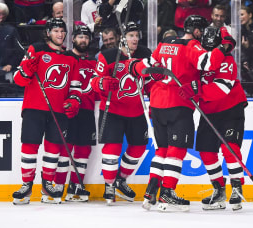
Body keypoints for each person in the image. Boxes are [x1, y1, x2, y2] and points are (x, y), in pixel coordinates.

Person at [128, 15, 235, 212]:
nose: (203, 36)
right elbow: (209, 63)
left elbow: (144, 66)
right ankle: (168, 192)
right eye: (201, 31)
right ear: (196, 31)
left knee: (162, 150)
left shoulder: (165, 43)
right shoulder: (192, 46)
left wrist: (132, 66)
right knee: (176, 150)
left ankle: (151, 192)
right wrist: (224, 47)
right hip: (178, 104)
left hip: (157, 104)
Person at [12, 18, 82, 205]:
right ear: (48, 33)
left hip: (58, 111)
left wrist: (73, 101)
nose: (60, 34)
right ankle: (26, 185)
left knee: (53, 150)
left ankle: (47, 185)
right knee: (29, 147)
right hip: (34, 108)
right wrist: (26, 70)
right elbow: (18, 79)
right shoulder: (36, 49)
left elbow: (75, 87)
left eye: (62, 31)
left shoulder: (71, 58)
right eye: (56, 31)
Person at [182, 26, 247, 211]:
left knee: (230, 148)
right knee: (206, 151)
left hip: (230, 109)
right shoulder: (200, 58)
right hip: (209, 111)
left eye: (214, 48)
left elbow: (222, 89)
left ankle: (236, 188)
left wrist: (197, 90)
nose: (210, 52)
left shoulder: (227, 60)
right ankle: (219, 190)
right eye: (207, 48)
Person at [90, 21, 152, 204]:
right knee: (112, 149)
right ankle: (109, 185)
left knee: (139, 147)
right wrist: (103, 84)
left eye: (137, 35)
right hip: (113, 109)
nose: (135, 38)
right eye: (131, 35)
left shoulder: (145, 54)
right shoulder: (108, 56)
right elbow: (94, 81)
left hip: (137, 110)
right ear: (122, 38)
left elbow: (149, 81)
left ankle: (120, 180)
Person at [53, 24, 97, 202]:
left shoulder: (94, 62)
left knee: (83, 149)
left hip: (86, 110)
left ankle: (76, 186)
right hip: (68, 110)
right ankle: (58, 185)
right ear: (73, 39)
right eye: (80, 37)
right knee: (65, 148)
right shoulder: (63, 58)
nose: (83, 40)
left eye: (86, 37)